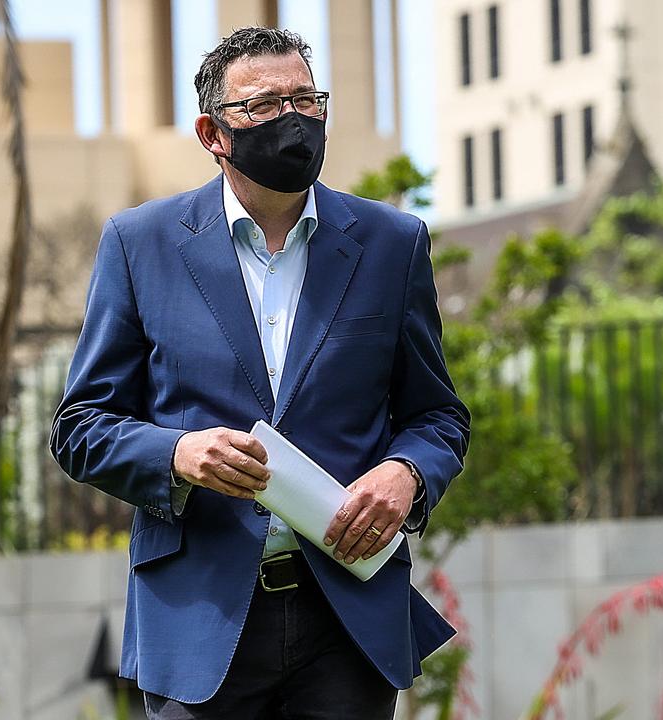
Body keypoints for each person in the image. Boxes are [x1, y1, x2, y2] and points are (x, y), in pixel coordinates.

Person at [50, 27, 470, 718]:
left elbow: (438, 415)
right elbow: (79, 428)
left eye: (307, 98)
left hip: (348, 617)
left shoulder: (394, 244)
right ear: (214, 133)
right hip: (199, 618)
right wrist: (178, 453)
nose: (294, 119)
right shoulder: (139, 243)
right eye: (267, 105)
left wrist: (409, 473)